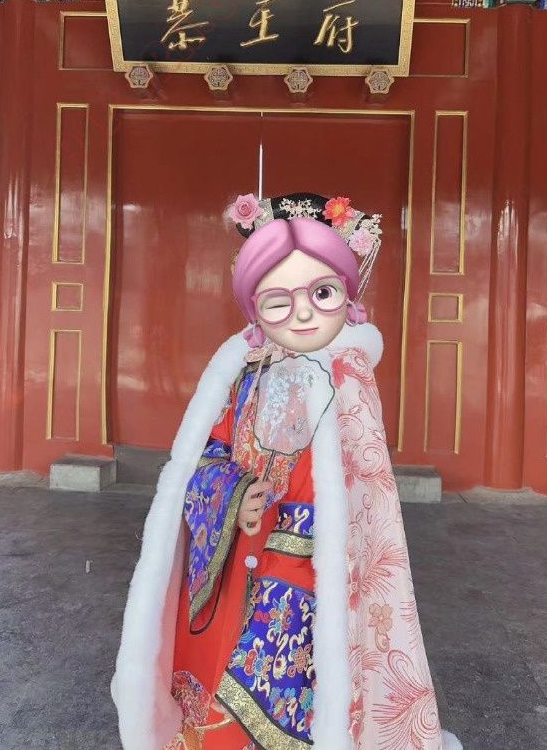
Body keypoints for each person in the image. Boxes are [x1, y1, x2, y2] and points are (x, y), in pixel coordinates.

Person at [111, 192, 462, 750]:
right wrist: (234, 495)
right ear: (254, 309)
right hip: (236, 564)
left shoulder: (348, 383)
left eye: (322, 294)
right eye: (278, 301)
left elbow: (364, 496)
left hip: (309, 573)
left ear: (347, 295)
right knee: (213, 691)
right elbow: (208, 454)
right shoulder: (242, 376)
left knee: (292, 703)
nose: (302, 313)